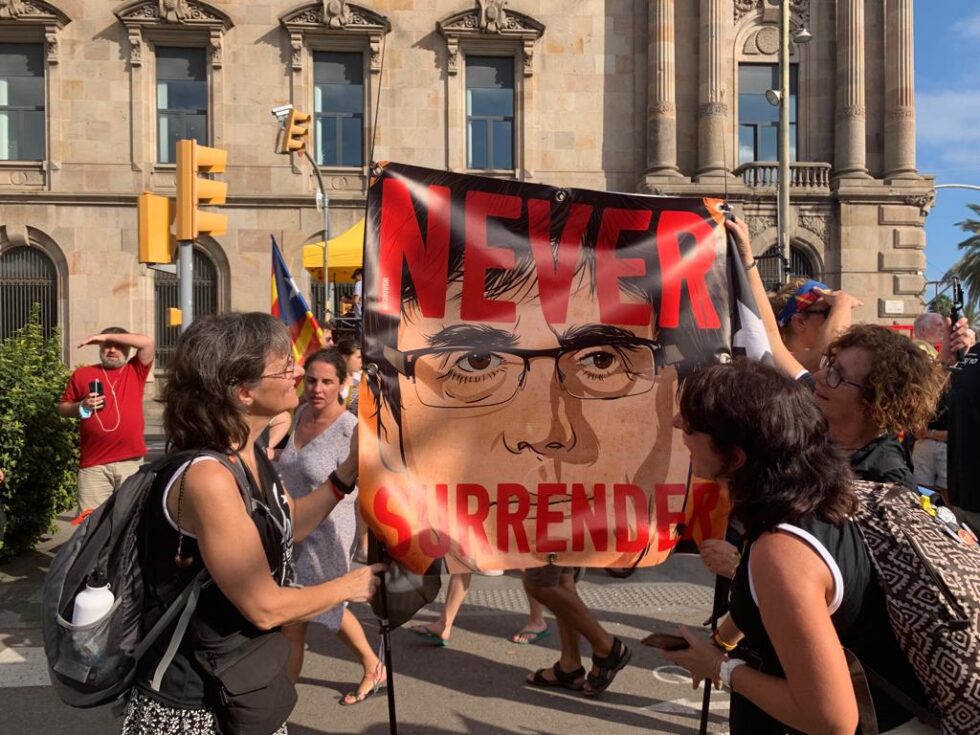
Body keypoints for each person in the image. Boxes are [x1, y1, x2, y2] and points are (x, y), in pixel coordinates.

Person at [122, 313, 382, 734]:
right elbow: (263, 606)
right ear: (244, 392)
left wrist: (345, 474)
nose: (299, 372)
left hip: (239, 683)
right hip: (194, 705)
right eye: (285, 367)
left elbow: (287, 524)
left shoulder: (247, 453)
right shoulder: (207, 476)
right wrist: (355, 585)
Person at [665, 359, 933, 735]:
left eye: (692, 425)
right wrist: (721, 642)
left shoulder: (783, 551)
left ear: (737, 456)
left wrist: (718, 667)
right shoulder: (821, 497)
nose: (678, 424)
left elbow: (830, 718)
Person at [726, 216, 956, 490]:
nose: (821, 375)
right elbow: (771, 339)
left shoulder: (887, 482)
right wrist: (748, 261)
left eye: (838, 375)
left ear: (876, 401)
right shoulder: (818, 415)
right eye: (830, 365)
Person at [274, 347, 385, 706]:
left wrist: (372, 538)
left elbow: (369, 485)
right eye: (311, 380)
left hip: (330, 534)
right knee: (322, 608)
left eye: (326, 382)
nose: (317, 389)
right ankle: (372, 665)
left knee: (299, 617)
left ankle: (279, 708)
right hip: (292, 528)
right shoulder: (300, 413)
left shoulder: (350, 429)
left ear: (342, 385)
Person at [57, 328, 155, 514]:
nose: (112, 350)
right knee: (90, 524)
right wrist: (81, 406)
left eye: (119, 346)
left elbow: (147, 343)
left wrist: (104, 337)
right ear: (100, 348)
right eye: (107, 346)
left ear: (128, 350)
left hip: (130, 463)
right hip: (94, 465)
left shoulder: (135, 370)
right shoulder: (83, 374)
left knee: (129, 521)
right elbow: (62, 408)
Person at [770, 277, 861, 373]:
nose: (835, 319)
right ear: (800, 322)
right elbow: (822, 359)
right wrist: (843, 303)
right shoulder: (776, 359)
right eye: (829, 312)